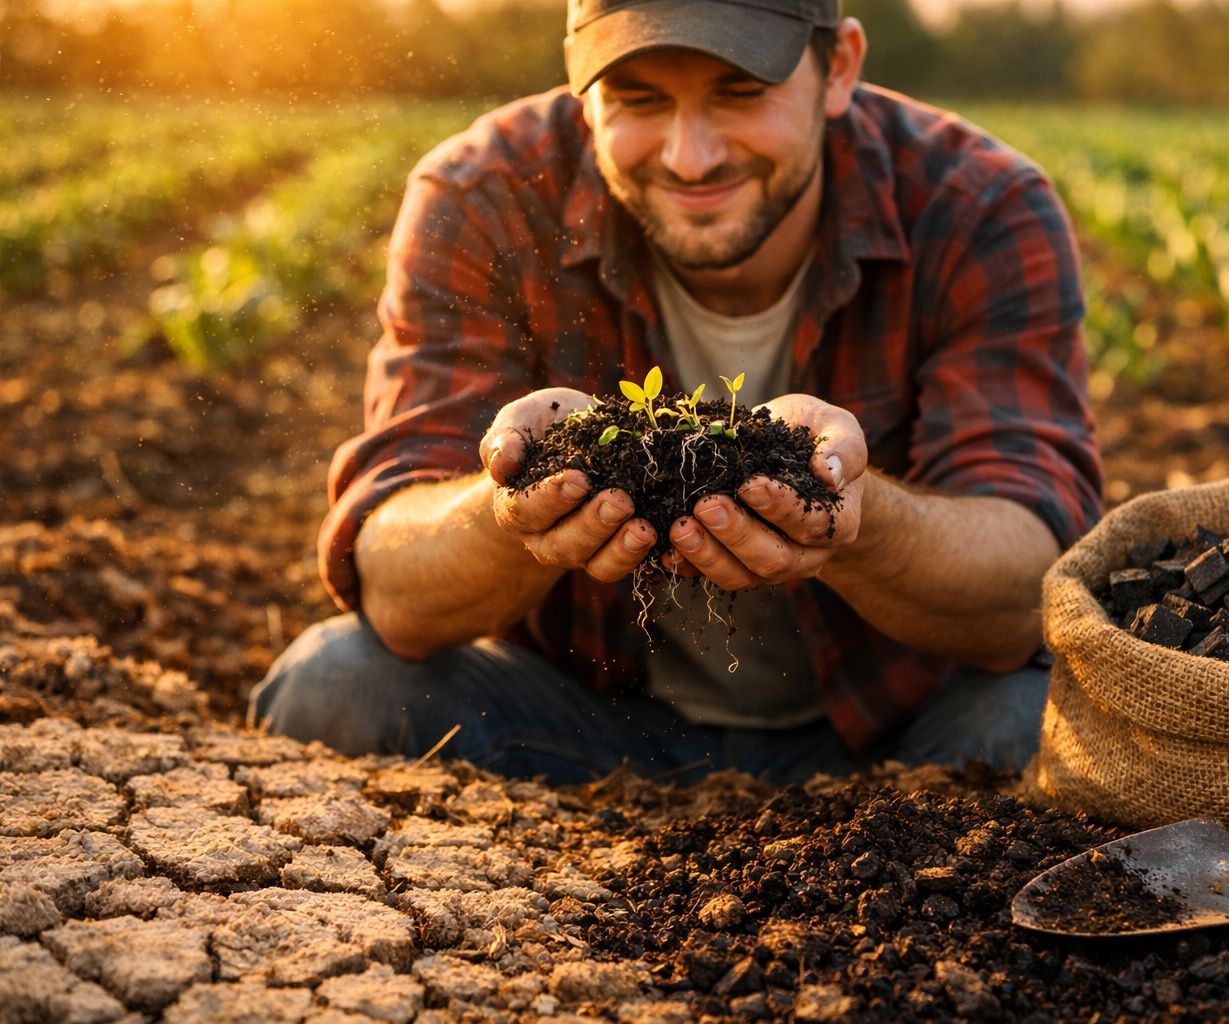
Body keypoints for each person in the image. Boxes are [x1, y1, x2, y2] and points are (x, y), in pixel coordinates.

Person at [250, 0, 1102, 785]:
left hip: (898, 739)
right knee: (337, 687)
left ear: (838, 68)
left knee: (1046, 723)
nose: (690, 157)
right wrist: (511, 506)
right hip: (584, 724)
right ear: (582, 88)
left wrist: (857, 520)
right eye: (638, 99)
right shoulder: (483, 196)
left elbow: (1030, 586)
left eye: (740, 91)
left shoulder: (977, 205)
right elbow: (394, 583)